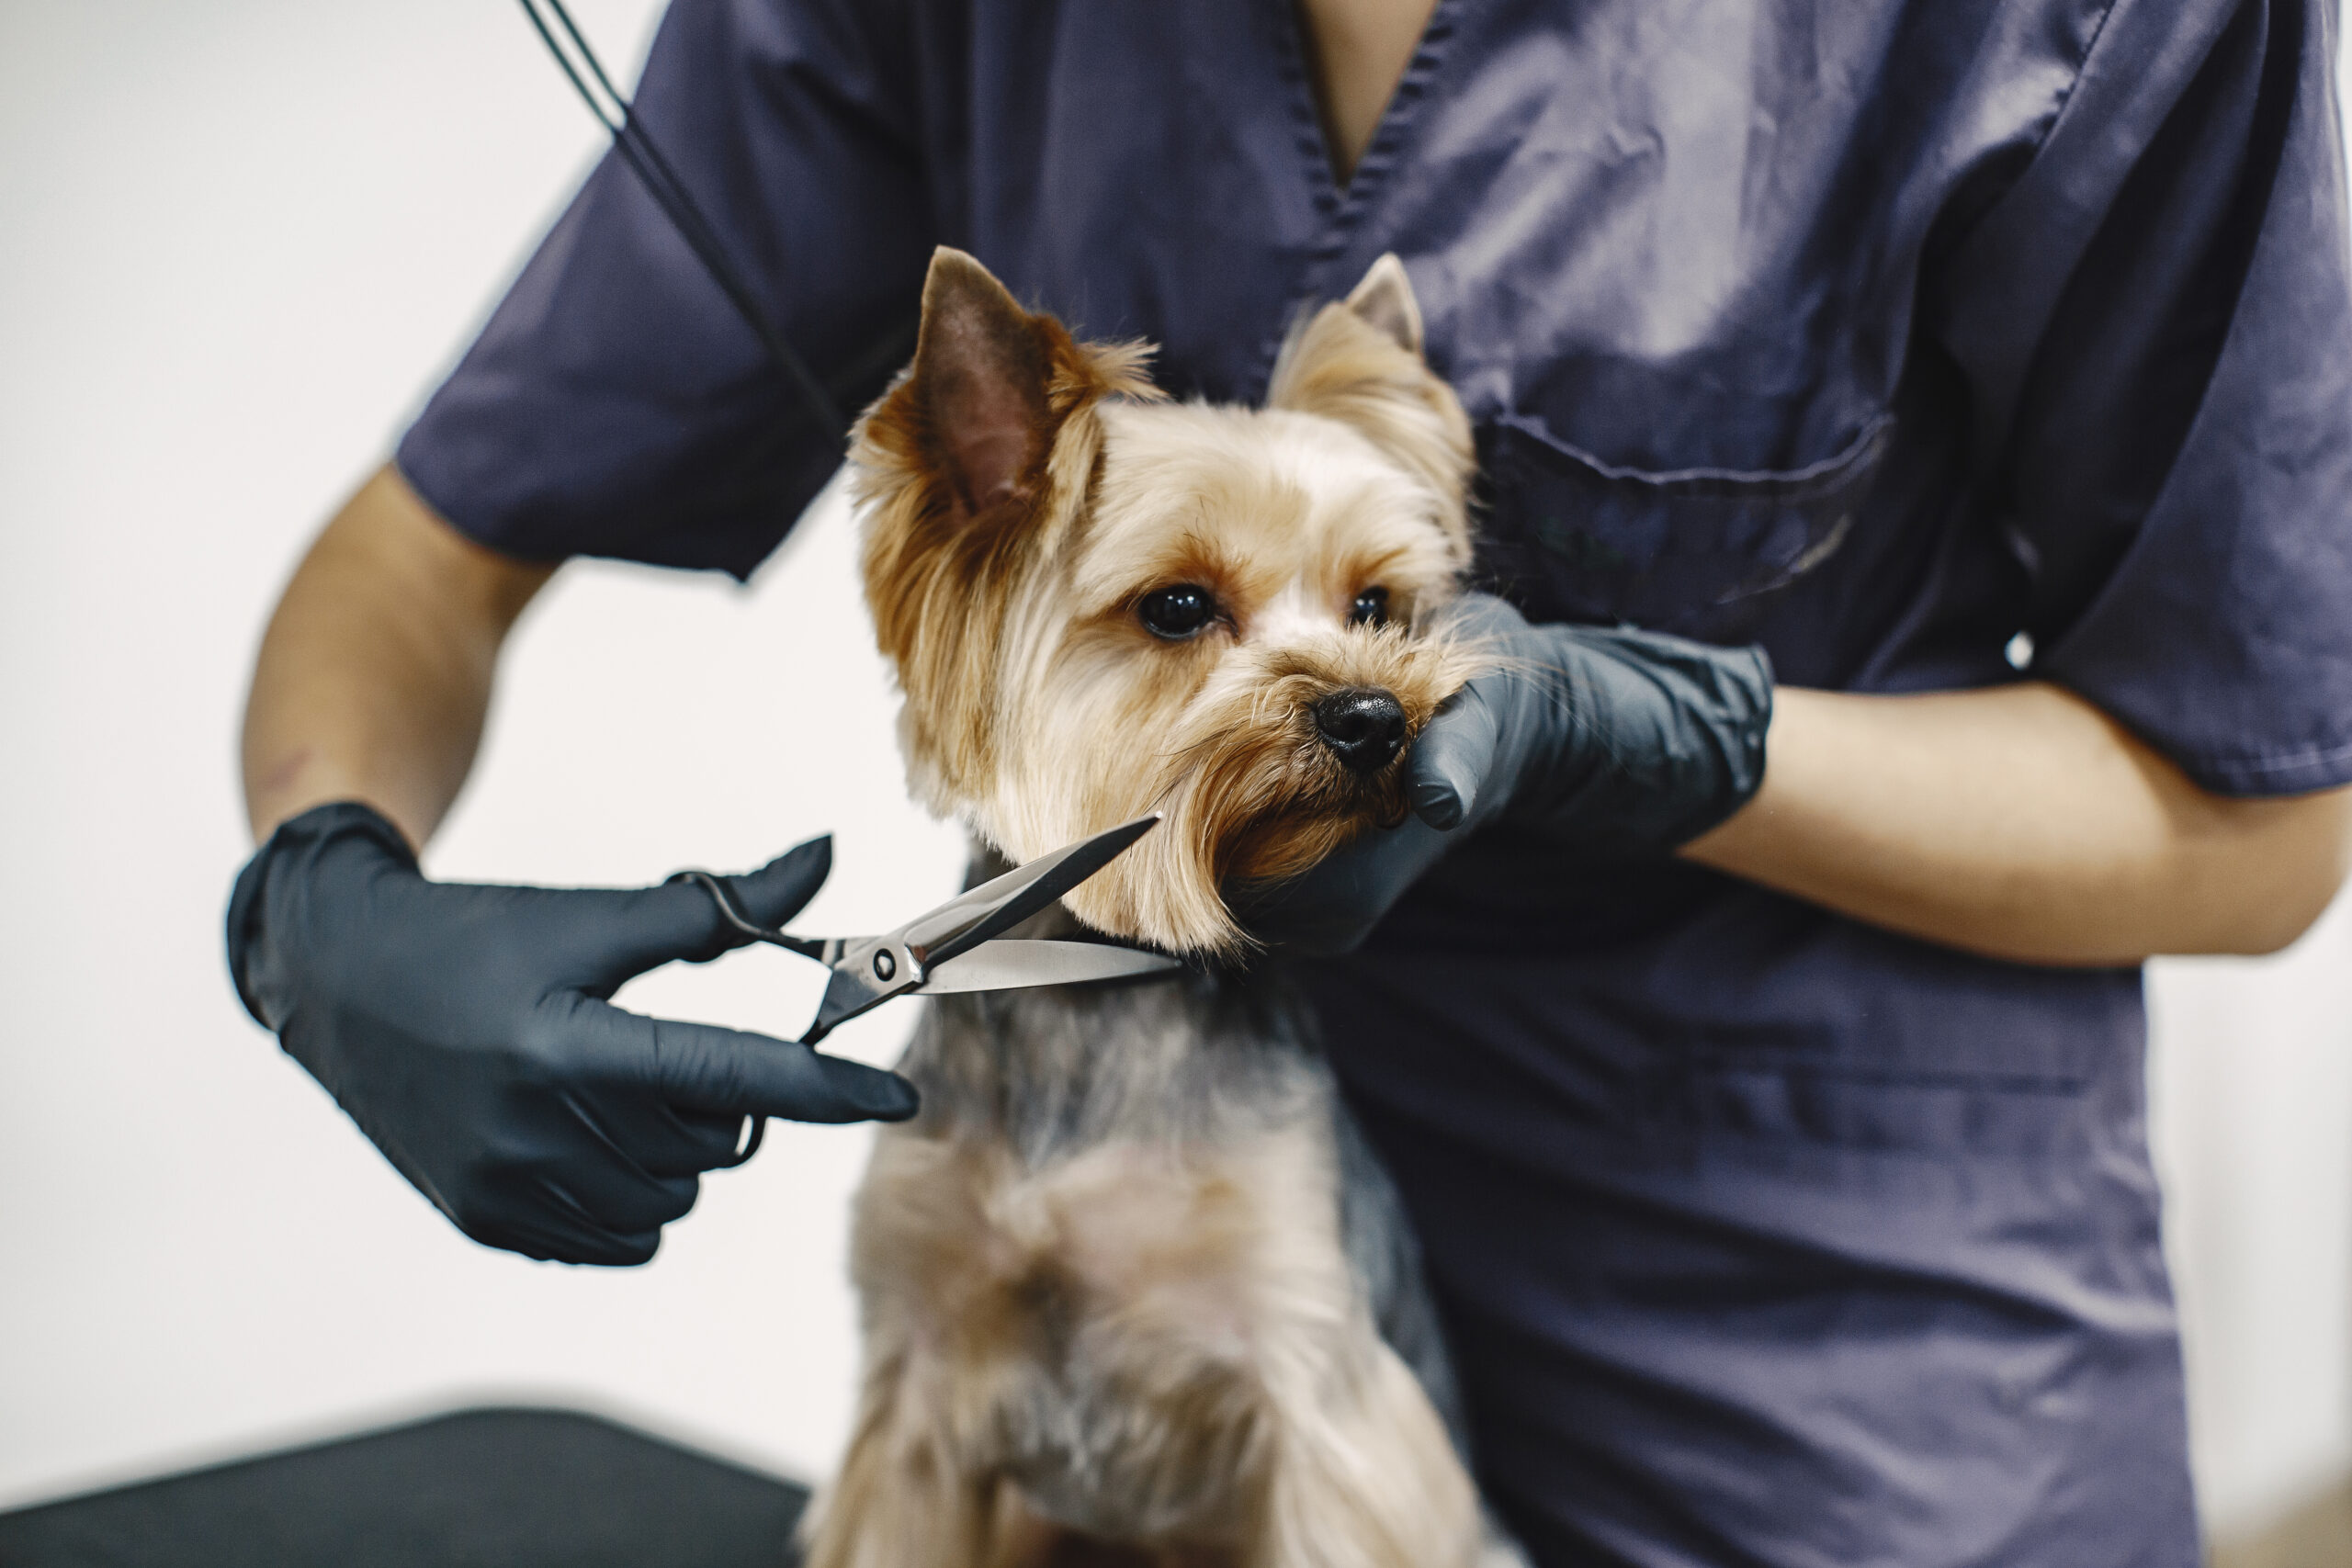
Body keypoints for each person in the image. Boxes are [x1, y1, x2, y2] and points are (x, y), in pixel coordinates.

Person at [229, 1, 2352, 1562]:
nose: (1321, 683)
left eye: (1365, 604)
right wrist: (327, 896)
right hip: (1090, 1119)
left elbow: (2261, 830)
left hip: (1837, 1348)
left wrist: (1672, 737)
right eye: (1180, 613)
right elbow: (420, 551)